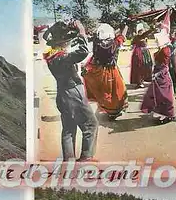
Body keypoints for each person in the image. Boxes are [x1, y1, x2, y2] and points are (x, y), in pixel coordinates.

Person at [43, 20, 98, 162]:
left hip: (62, 93)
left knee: (68, 129)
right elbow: (83, 51)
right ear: (62, 42)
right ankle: (86, 157)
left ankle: (69, 161)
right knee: (90, 125)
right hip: (73, 92)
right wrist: (81, 32)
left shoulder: (52, 56)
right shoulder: (61, 57)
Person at [83, 23, 129, 121]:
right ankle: (114, 112)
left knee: (104, 91)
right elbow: (122, 36)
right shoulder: (115, 43)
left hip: (100, 70)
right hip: (112, 70)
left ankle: (108, 109)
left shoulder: (97, 43)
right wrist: (125, 26)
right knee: (116, 91)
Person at [141, 30, 176, 124]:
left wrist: (157, 74)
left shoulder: (165, 51)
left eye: (157, 40)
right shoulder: (162, 49)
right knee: (158, 95)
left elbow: (165, 66)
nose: (156, 41)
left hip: (162, 76)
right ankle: (163, 114)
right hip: (158, 75)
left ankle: (167, 115)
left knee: (164, 96)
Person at [130, 23, 154, 88]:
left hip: (145, 52)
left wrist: (153, 26)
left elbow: (149, 31)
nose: (141, 32)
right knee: (139, 66)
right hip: (139, 53)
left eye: (142, 31)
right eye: (140, 31)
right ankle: (139, 81)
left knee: (146, 66)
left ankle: (142, 80)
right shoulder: (138, 36)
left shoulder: (143, 36)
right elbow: (132, 44)